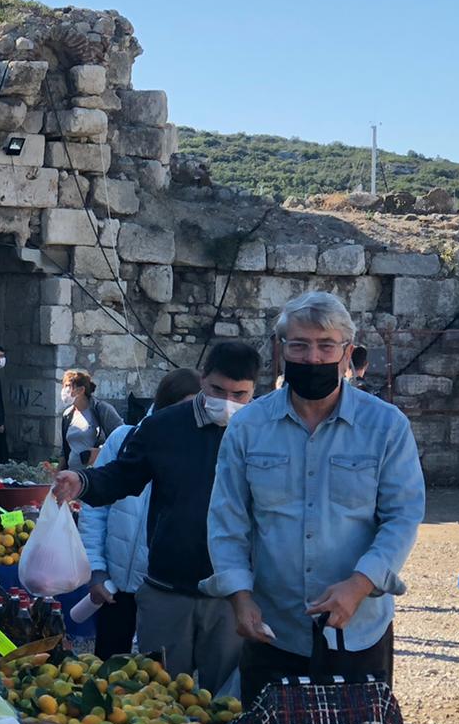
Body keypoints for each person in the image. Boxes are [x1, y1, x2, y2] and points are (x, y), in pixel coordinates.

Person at [206, 292, 424, 702]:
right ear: (281, 349)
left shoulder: (386, 427)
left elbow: (403, 516)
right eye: (300, 345)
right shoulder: (248, 427)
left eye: (326, 346)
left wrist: (360, 585)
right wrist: (239, 596)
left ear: (347, 354)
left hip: (358, 629)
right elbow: (227, 521)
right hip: (273, 630)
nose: (312, 358)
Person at [51, 341, 262, 691]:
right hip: (167, 592)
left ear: (254, 390)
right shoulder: (164, 427)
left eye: (239, 395)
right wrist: (83, 481)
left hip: (232, 596)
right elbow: (122, 476)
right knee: (159, 700)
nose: (228, 403)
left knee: (229, 705)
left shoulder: (263, 431)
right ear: (203, 378)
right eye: (217, 390)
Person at [77, 367, 203, 658]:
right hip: (117, 586)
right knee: (108, 670)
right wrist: (96, 569)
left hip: (165, 588)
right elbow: (96, 511)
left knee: (160, 676)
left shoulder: (201, 451)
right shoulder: (124, 439)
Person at [58, 369, 125, 471]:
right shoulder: (67, 414)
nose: (64, 390)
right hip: (73, 477)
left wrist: (100, 451)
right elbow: (65, 450)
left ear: (81, 390)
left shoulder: (101, 409)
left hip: (96, 475)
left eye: (68, 386)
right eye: (64, 386)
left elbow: (122, 438)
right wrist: (58, 473)